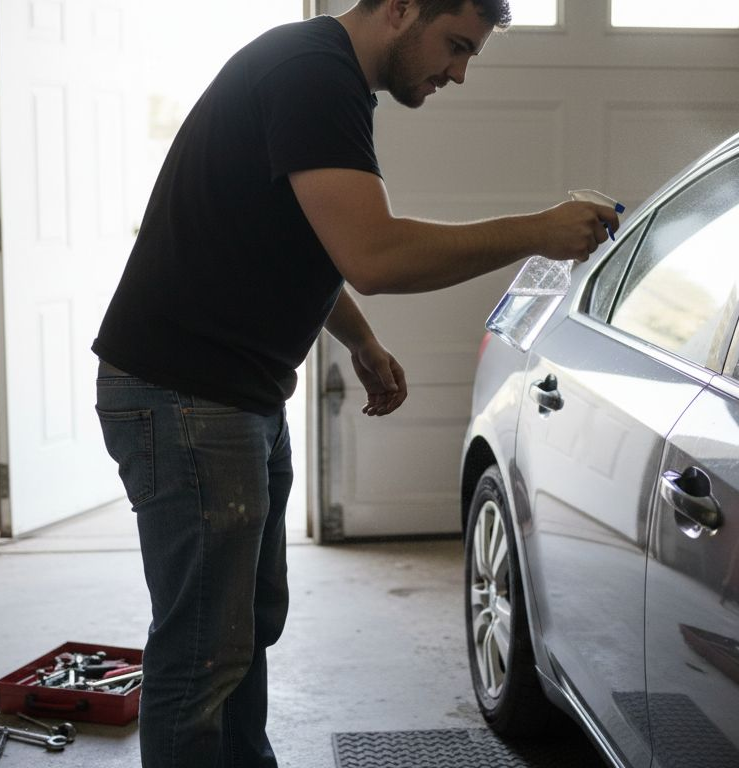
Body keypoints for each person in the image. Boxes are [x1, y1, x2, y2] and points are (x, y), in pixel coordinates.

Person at [91, 1, 621, 766]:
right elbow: (372, 254)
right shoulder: (313, 76)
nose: (460, 73)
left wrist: (361, 342)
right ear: (401, 7)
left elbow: (304, 233)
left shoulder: (316, 72)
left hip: (228, 395)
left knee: (242, 627)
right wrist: (538, 230)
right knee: (204, 649)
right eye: (456, 46)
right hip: (185, 398)